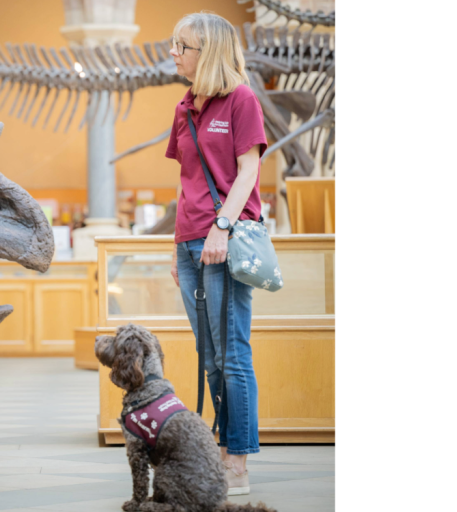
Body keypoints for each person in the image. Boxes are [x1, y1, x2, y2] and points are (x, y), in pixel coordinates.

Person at [165, 12, 268, 496]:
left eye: (181, 45)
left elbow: (248, 172)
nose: (173, 53)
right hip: (190, 244)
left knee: (232, 355)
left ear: (208, 51)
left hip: (224, 242)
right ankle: (221, 450)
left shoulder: (241, 100)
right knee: (209, 357)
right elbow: (185, 183)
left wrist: (221, 228)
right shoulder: (185, 106)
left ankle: (238, 463)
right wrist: (176, 245)